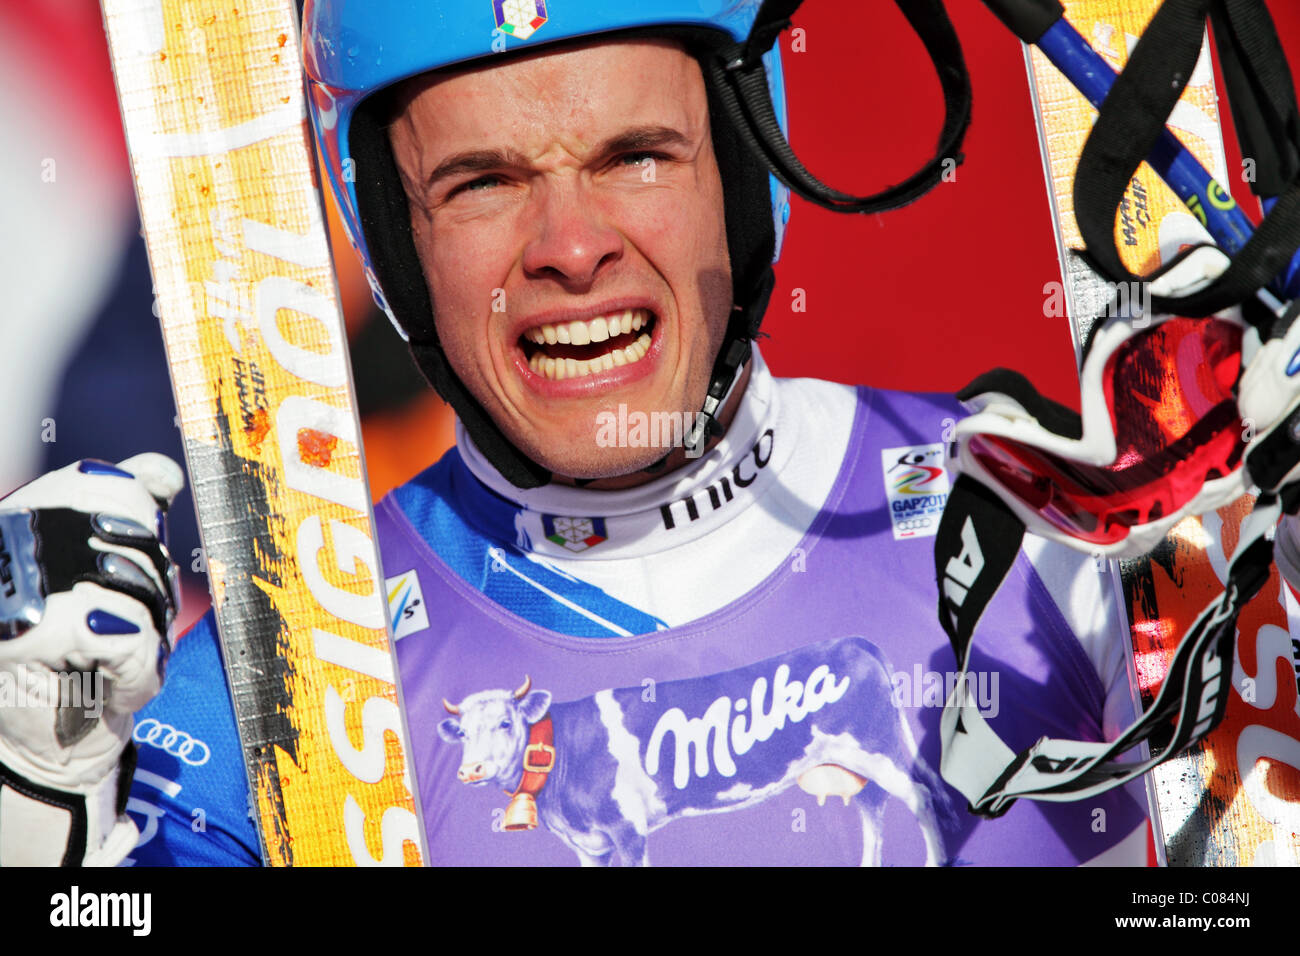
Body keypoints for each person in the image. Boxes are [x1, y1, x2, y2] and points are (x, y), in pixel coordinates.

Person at [0, 1, 1152, 866]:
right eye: (483, 183)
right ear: (393, 241)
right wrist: (40, 797)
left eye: (634, 155)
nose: (569, 244)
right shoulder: (277, 688)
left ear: (746, 174)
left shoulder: (1062, 519)